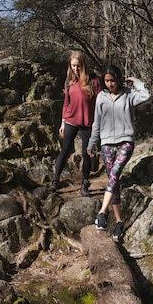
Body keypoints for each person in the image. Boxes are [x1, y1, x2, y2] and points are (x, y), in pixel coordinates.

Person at [87, 65, 150, 240]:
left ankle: (102, 212)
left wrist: (137, 82)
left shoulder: (129, 94)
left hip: (125, 142)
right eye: (107, 81)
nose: (110, 84)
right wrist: (92, 143)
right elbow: (96, 123)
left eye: (112, 80)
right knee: (113, 183)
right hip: (106, 143)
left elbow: (146, 95)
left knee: (114, 174)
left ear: (119, 79)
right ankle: (119, 223)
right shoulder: (101, 97)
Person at [50, 51, 101, 196]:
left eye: (78, 66)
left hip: (88, 122)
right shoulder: (69, 81)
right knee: (65, 150)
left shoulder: (94, 80)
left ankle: (85, 183)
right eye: (73, 66)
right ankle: (56, 180)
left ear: (83, 65)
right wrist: (63, 122)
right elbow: (66, 102)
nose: (75, 69)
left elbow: (100, 103)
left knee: (87, 153)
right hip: (71, 120)